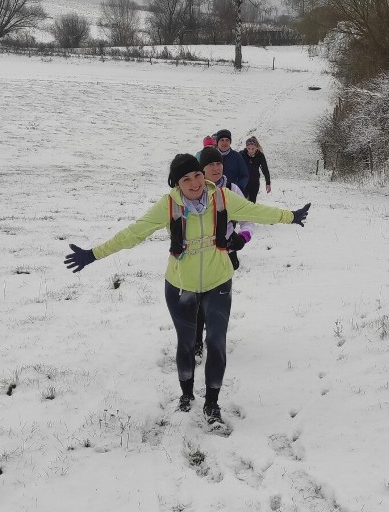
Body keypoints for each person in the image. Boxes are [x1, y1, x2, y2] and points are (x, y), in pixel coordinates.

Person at [64, 154, 311, 427]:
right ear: (176, 183)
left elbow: (257, 212)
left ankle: (212, 404)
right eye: (186, 179)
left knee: (216, 342)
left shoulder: (223, 197)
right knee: (186, 343)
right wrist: (94, 254)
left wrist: (291, 216)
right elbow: (132, 234)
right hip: (181, 287)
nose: (194, 182)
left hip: (218, 282)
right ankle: (186, 395)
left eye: (196, 175)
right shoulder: (168, 205)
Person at [194, 146, 253, 357]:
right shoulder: (193, 191)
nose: (216, 168)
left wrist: (242, 237)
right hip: (199, 255)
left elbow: (249, 217)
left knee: (218, 299)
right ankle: (196, 342)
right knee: (198, 299)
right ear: (202, 168)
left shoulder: (232, 190)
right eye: (211, 164)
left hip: (224, 252)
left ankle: (214, 338)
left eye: (219, 163)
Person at [240, 135, 271, 203]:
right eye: (249, 148)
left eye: (253, 148)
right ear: (246, 147)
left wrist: (268, 183)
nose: (251, 151)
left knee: (252, 202)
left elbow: (265, 169)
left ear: (256, 147)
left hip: (254, 182)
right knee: (242, 201)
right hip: (243, 182)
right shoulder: (242, 154)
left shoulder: (260, 156)